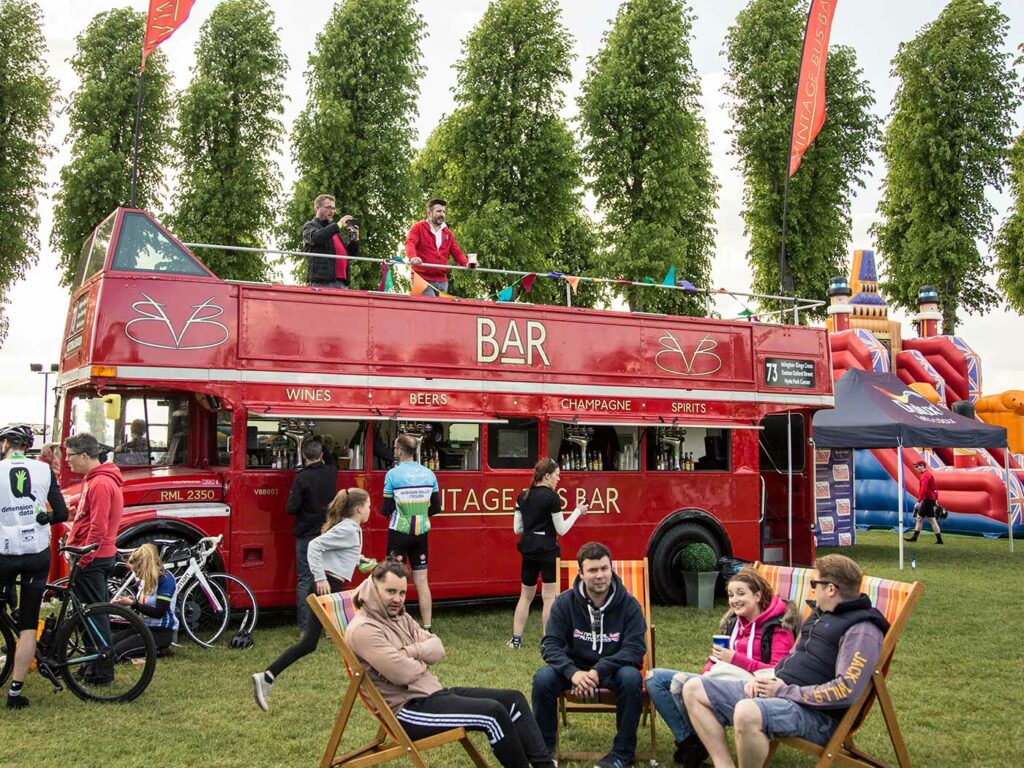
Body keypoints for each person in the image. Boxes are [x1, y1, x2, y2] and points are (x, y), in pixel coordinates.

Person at [680, 554, 890, 768]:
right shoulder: (821, 615)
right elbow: (792, 659)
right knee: (693, 689)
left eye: (814, 584)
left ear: (831, 589)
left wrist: (781, 691)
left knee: (747, 711)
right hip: (781, 692)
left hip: (817, 715)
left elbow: (845, 690)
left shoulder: (862, 630)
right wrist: (766, 678)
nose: (812, 589)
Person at [346, 560, 556, 768]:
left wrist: (410, 652)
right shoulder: (364, 630)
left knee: (513, 699)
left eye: (401, 593)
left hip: (433, 694)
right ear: (374, 587)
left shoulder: (400, 616)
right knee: (493, 714)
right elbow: (401, 674)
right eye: (390, 591)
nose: (397, 599)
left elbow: (438, 648)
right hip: (410, 710)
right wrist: (421, 662)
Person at [646, 567, 796, 765]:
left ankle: (699, 741)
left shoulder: (778, 627)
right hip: (723, 678)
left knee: (679, 683)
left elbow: (778, 671)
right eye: (731, 595)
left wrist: (734, 659)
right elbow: (716, 658)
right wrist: (707, 673)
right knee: (653, 678)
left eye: (741, 594)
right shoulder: (734, 623)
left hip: (750, 687)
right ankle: (690, 741)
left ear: (758, 596)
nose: (734, 600)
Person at [253, 488, 376, 712]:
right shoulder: (349, 529)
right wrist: (320, 577)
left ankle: (267, 676)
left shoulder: (350, 528)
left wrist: (358, 559)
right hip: (327, 585)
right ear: (359, 509)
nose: (370, 509)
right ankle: (377, 684)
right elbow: (314, 546)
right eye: (368, 505)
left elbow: (338, 550)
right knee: (351, 636)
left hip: (331, 585)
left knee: (314, 643)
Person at [531, 541, 647, 768]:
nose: (600, 575)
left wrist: (598, 670)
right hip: (573, 669)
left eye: (604, 568)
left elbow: (635, 650)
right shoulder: (564, 603)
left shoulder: (629, 605)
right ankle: (545, 754)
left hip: (612, 670)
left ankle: (622, 756)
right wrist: (573, 673)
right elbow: (550, 645)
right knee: (543, 678)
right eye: (593, 570)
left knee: (632, 678)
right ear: (581, 573)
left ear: (611, 569)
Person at [0, 424, 69, 709]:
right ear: (27, 446)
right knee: (28, 625)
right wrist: (42, 519)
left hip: (5, 551)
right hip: (37, 552)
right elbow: (61, 513)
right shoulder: (43, 471)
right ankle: (15, 692)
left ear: (5, 443)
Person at [507, 458, 588, 650]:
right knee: (549, 597)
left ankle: (516, 640)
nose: (559, 479)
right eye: (557, 475)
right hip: (549, 550)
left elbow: (517, 529)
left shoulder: (523, 495)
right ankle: (547, 642)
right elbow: (562, 529)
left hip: (528, 550)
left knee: (525, 596)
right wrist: (577, 511)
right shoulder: (552, 498)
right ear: (547, 476)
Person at [64, 432, 125, 684]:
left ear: (85, 455)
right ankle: (91, 666)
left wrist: (83, 557)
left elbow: (98, 528)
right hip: (97, 555)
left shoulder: (100, 483)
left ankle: (101, 670)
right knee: (88, 612)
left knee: (95, 614)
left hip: (93, 557)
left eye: (70, 456)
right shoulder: (98, 479)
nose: (67, 461)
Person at [383, 433, 440, 631]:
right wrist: (422, 515)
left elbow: (385, 508)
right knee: (422, 581)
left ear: (399, 451)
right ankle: (428, 626)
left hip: (399, 531)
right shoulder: (429, 473)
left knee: (394, 579)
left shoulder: (392, 474)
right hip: (421, 532)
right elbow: (437, 507)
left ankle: (395, 625)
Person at [285, 437, 339, 633]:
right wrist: (321, 441)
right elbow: (333, 460)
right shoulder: (331, 472)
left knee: (305, 579)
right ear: (322, 455)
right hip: (328, 533)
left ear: (303, 456)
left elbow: (291, 508)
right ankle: (328, 626)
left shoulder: (301, 478)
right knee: (326, 578)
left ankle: (305, 627)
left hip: (306, 535)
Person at [111, 543, 178, 656]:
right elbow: (143, 605)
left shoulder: (165, 580)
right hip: (142, 627)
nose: (136, 575)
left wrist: (134, 604)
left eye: (137, 572)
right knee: (106, 645)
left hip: (160, 633)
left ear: (145, 567)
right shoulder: (145, 580)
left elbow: (159, 612)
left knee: (115, 653)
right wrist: (130, 601)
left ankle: (160, 651)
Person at [404, 198, 476, 296]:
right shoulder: (418, 228)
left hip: (442, 281)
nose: (442, 214)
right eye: (438, 211)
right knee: (431, 308)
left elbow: (456, 252)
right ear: (429, 213)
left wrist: (467, 263)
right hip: (422, 279)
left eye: (444, 211)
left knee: (440, 310)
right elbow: (410, 243)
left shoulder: (447, 233)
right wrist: (413, 257)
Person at [302, 193, 360, 289]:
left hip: (342, 282)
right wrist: (339, 225)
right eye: (328, 207)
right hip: (322, 282)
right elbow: (317, 237)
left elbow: (351, 255)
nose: (332, 211)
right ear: (317, 208)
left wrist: (355, 240)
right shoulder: (310, 226)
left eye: (333, 208)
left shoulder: (336, 231)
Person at [905, 459, 942, 544]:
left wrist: (918, 502)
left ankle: (914, 538)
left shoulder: (924, 476)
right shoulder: (929, 474)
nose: (915, 468)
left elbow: (923, 490)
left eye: (917, 467)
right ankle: (939, 540)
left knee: (920, 518)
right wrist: (936, 499)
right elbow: (935, 489)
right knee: (931, 520)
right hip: (931, 499)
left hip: (927, 500)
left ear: (922, 466)